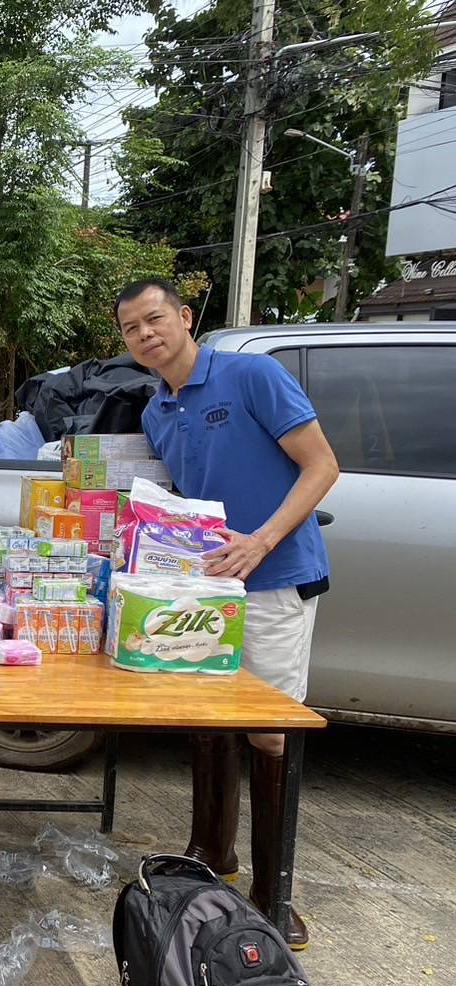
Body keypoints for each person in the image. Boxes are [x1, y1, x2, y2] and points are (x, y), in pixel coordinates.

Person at [115, 278, 340, 950]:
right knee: (207, 719)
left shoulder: (250, 376)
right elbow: (186, 503)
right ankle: (209, 852)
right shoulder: (157, 411)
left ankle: (273, 893)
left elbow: (321, 466)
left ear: (183, 318)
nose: (145, 333)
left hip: (274, 578)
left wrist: (261, 539)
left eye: (154, 318)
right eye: (131, 328)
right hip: (204, 590)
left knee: (268, 733)